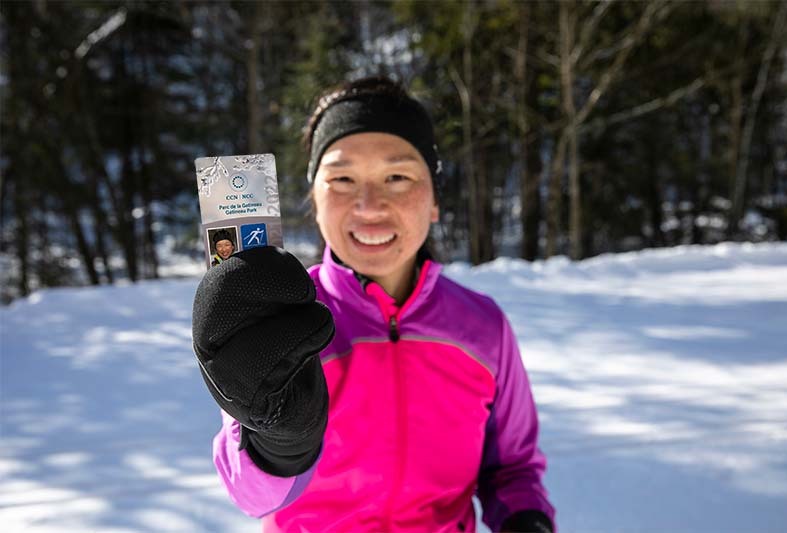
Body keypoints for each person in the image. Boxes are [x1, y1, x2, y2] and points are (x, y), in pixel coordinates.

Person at [192, 76, 555, 532]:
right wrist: (279, 445)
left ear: (435, 199)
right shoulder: (275, 321)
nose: (369, 205)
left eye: (398, 177)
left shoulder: (484, 327)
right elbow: (250, 495)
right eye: (342, 178)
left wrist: (526, 520)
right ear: (314, 199)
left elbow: (513, 468)